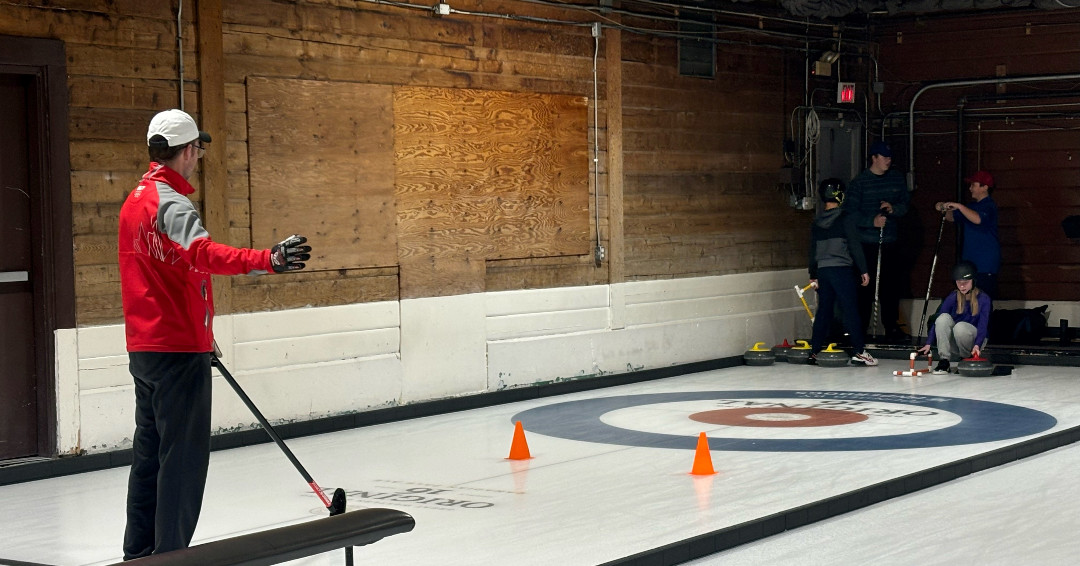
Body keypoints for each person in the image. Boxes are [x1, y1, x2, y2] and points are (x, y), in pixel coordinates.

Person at [118, 109, 312, 559]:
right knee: (183, 463)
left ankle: (139, 554)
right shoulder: (170, 201)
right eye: (197, 149)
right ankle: (171, 557)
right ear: (187, 151)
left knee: (150, 459)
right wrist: (268, 259)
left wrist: (202, 328)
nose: (199, 156)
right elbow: (202, 255)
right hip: (177, 350)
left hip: (146, 349)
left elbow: (169, 272)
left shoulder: (135, 200)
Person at [845, 140, 911, 343]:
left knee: (890, 288)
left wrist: (893, 209)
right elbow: (850, 215)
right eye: (884, 157)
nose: (888, 161)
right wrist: (871, 222)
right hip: (867, 244)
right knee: (865, 288)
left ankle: (891, 327)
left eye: (890, 157)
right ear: (874, 158)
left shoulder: (896, 179)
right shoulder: (859, 183)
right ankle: (860, 328)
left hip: (889, 241)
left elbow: (905, 205)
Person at [808, 179, 877, 366]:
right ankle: (859, 351)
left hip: (823, 270)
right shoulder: (846, 218)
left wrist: (812, 274)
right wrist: (863, 269)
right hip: (841, 269)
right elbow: (854, 244)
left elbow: (813, 249)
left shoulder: (817, 222)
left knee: (824, 310)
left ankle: (814, 351)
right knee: (850, 310)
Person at [934, 170, 1000, 300]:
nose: (970, 189)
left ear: (984, 187)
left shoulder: (989, 206)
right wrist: (942, 207)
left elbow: (978, 219)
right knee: (968, 302)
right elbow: (952, 217)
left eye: (973, 185)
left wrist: (959, 206)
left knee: (983, 300)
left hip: (985, 263)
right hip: (969, 261)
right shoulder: (971, 206)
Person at [917, 261, 992, 374]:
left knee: (960, 326)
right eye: (959, 282)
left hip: (975, 342)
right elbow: (938, 320)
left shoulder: (984, 299)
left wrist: (977, 345)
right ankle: (944, 361)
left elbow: (983, 326)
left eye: (965, 282)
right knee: (943, 318)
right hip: (957, 342)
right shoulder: (953, 297)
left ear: (973, 281)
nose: (962, 286)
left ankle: (965, 358)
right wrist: (928, 343)